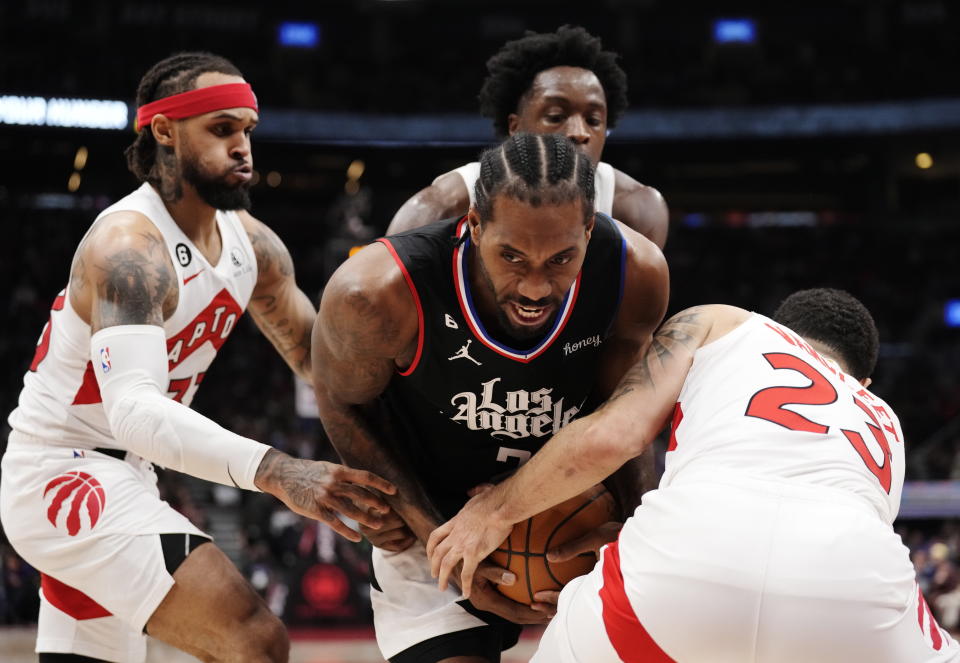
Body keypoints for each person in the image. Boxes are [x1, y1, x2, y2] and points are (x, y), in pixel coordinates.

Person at [0, 52, 396, 663]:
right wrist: (278, 470)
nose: (243, 148)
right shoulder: (129, 247)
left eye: (247, 130)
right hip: (62, 469)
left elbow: (323, 368)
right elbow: (133, 409)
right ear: (164, 131)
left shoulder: (254, 246)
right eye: (221, 130)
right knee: (254, 640)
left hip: (129, 472)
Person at [429, 289, 960, 663]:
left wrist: (494, 510)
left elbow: (614, 437)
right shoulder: (881, 414)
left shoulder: (726, 322)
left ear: (780, 331)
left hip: (690, 557)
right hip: (851, 587)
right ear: (862, 380)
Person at [312, 132, 669, 662]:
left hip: (574, 518)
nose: (534, 287)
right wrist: (444, 543)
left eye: (561, 259)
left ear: (589, 231)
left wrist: (630, 535)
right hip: (432, 517)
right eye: (513, 257)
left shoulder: (633, 274)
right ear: (474, 225)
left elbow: (626, 412)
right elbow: (343, 404)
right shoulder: (376, 292)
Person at [386, 25, 669, 248]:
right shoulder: (448, 202)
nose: (578, 133)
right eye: (556, 117)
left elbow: (634, 320)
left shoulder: (634, 208)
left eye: (593, 120)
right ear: (515, 127)